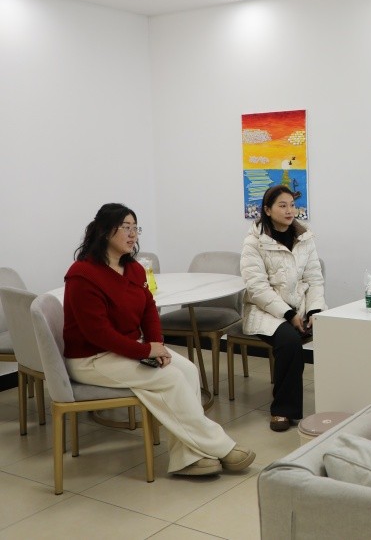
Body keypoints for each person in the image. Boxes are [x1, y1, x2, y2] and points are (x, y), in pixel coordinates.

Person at [63, 203, 255, 477]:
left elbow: (149, 309)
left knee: (188, 370)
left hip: (127, 349)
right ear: (105, 231)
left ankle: (188, 457)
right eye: (125, 228)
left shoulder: (133, 269)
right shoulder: (82, 274)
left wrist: (157, 344)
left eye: (135, 228)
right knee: (170, 378)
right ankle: (222, 447)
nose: (133, 234)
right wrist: (145, 350)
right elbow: (98, 334)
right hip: (91, 358)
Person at [241, 184, 325, 432]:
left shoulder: (305, 238)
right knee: (289, 341)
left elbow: (314, 280)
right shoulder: (254, 242)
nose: (290, 211)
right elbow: (257, 288)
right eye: (282, 205)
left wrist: (314, 311)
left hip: (302, 307)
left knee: (337, 331)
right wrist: (288, 314)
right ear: (267, 210)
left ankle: (338, 402)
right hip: (265, 311)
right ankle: (283, 410)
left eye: (292, 205)